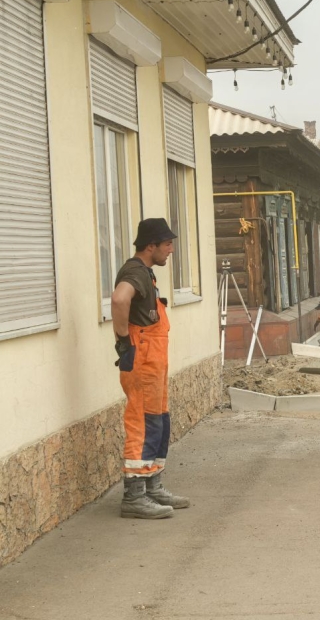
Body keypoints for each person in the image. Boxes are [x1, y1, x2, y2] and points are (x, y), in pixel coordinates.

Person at [111, 218, 190, 519]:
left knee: (158, 422)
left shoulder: (145, 273)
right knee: (142, 425)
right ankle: (134, 497)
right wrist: (123, 344)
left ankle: (152, 485)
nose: (170, 250)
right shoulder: (134, 271)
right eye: (167, 244)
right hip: (142, 360)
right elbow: (119, 299)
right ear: (150, 245)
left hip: (152, 361)